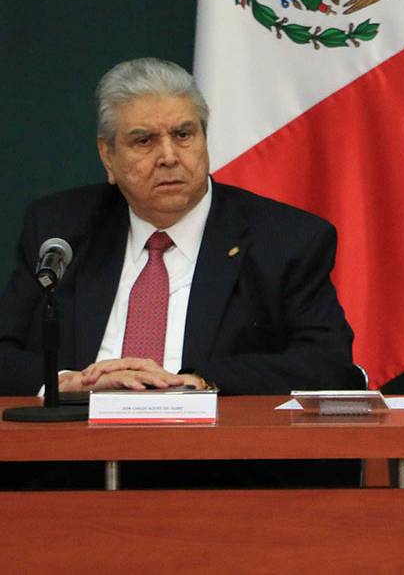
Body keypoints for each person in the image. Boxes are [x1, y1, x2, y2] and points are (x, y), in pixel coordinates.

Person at [0, 57, 363, 487]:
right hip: (72, 467)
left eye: (183, 135)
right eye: (144, 141)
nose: (169, 157)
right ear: (108, 156)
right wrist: (70, 383)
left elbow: (327, 363)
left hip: (220, 471)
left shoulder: (283, 239)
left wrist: (198, 382)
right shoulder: (61, 229)